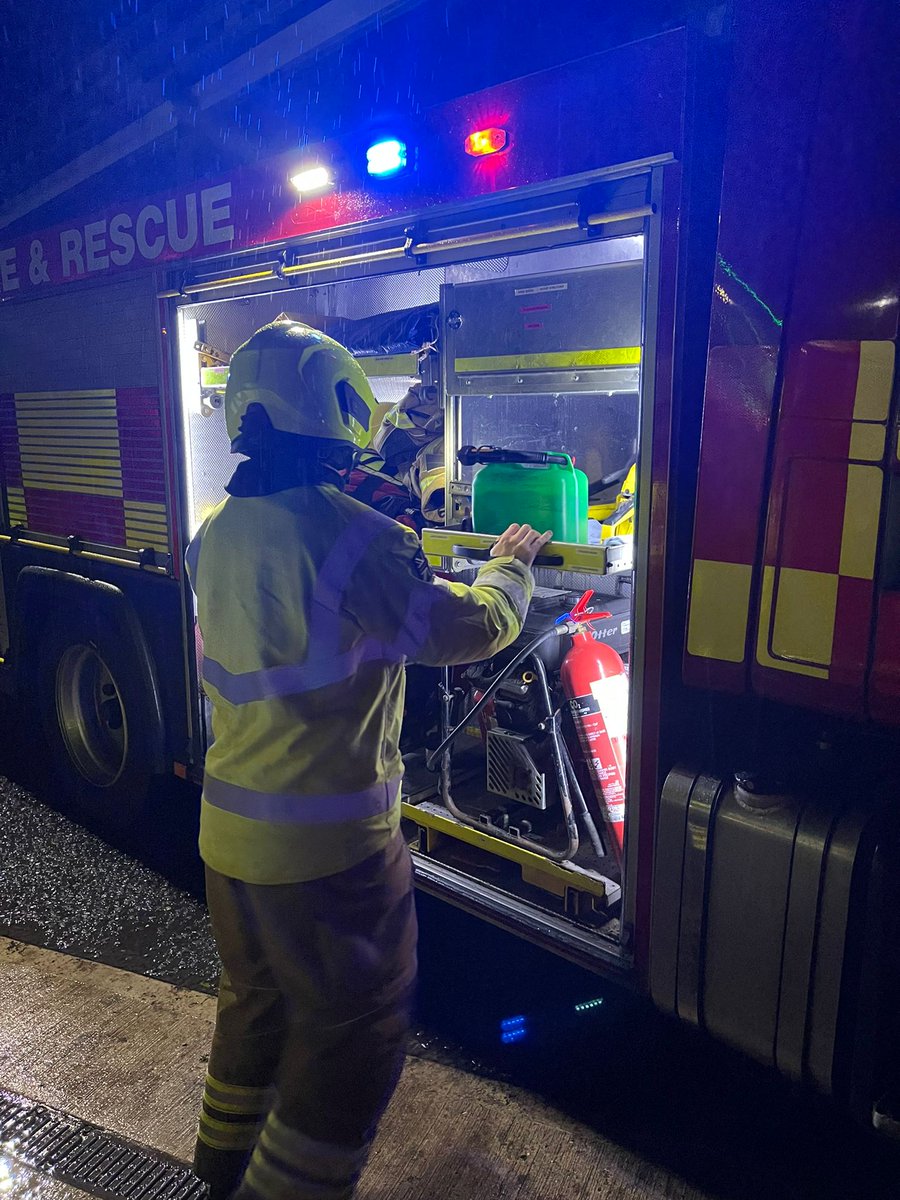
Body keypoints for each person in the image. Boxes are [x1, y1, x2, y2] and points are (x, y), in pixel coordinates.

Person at [185, 317, 551, 1200]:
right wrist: (507, 572)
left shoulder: (212, 532)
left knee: (256, 1009)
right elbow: (460, 630)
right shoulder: (359, 539)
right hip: (330, 858)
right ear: (334, 406)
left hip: (229, 847)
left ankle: (219, 1171)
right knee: (354, 1036)